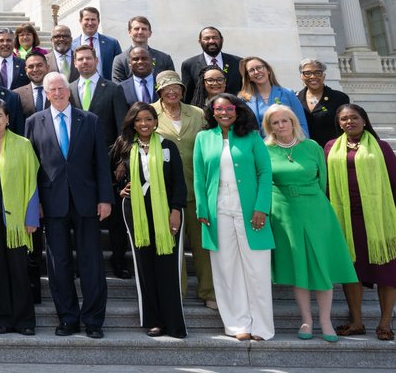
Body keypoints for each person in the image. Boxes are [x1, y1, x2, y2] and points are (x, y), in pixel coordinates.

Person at [26, 72, 111, 338]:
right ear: (47, 93)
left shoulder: (90, 120)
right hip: (52, 203)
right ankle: (68, 318)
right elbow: (32, 168)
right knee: (58, 264)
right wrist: (34, 203)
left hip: (86, 201)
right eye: (52, 89)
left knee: (91, 263)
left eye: (62, 88)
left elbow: (101, 163)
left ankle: (94, 320)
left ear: (69, 90)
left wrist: (105, 198)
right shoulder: (33, 122)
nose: (58, 93)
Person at [263, 105, 356, 342]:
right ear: (269, 127)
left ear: (294, 122)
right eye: (275, 122)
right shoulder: (265, 149)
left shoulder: (312, 147)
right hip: (284, 213)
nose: (281, 125)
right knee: (299, 267)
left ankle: (325, 320)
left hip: (316, 210)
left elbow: (322, 179)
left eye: (286, 120)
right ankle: (307, 320)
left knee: (321, 266)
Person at [193, 94, 275, 341]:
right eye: (219, 109)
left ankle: (261, 326)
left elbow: (265, 172)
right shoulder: (203, 138)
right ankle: (237, 324)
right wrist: (201, 208)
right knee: (226, 269)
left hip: (250, 212)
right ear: (212, 112)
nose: (224, 112)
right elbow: (199, 176)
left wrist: (262, 207)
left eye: (229, 108)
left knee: (257, 269)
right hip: (217, 211)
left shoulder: (251, 137)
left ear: (237, 111)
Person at [327, 104, 396, 342]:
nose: (349, 122)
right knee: (352, 271)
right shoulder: (331, 147)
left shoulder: (381, 147)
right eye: (344, 119)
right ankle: (356, 322)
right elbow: (327, 186)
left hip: (381, 218)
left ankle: (384, 323)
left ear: (364, 120)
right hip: (345, 219)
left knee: (387, 271)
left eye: (354, 117)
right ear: (338, 122)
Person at [110, 102, 187, 338]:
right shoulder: (123, 147)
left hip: (166, 212)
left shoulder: (168, 147)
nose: (143, 124)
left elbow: (179, 183)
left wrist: (176, 210)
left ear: (155, 121)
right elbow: (109, 176)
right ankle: (153, 321)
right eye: (138, 120)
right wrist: (119, 190)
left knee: (167, 267)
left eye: (148, 119)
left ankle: (173, 323)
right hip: (136, 212)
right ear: (132, 122)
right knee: (144, 267)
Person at [152, 70, 216, 309]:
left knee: (202, 246)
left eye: (176, 87)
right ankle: (176, 292)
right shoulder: (150, 112)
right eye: (167, 87)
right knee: (172, 245)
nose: (172, 91)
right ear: (159, 90)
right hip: (165, 192)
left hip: (197, 187)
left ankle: (208, 291)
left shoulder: (197, 113)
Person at [0, 99, 40, 335]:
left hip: (17, 221)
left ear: (8, 119)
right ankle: (1, 319)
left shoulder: (22, 145)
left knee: (18, 268)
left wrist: (31, 217)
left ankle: (25, 321)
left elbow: (32, 181)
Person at [239, 55, 307, 137]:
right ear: (248, 77)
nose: (256, 72)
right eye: (251, 70)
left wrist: (303, 145)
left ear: (268, 70)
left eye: (259, 67)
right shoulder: (244, 100)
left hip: (290, 146)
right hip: (262, 147)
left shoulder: (288, 93)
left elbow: (301, 124)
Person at [295, 58, 352, 147]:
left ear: (324, 76)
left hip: (332, 150)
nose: (313, 76)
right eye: (307, 73)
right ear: (301, 76)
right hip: (304, 151)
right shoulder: (295, 98)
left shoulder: (339, 98)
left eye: (317, 72)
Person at [179, 25, 243, 96]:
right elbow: (187, 95)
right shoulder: (189, 65)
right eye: (207, 38)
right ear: (200, 41)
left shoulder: (238, 62)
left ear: (222, 39)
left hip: (232, 106)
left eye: (215, 38)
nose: (211, 41)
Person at [110, 16, 175, 83]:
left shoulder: (164, 59)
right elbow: (118, 88)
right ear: (129, 32)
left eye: (144, 29)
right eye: (136, 29)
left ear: (150, 33)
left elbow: (172, 85)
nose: (140, 32)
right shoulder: (120, 60)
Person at [76, 6, 122, 81]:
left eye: (93, 19)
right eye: (87, 19)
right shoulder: (72, 45)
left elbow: (120, 68)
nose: (90, 23)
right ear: (80, 21)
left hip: (107, 88)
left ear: (98, 21)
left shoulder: (112, 43)